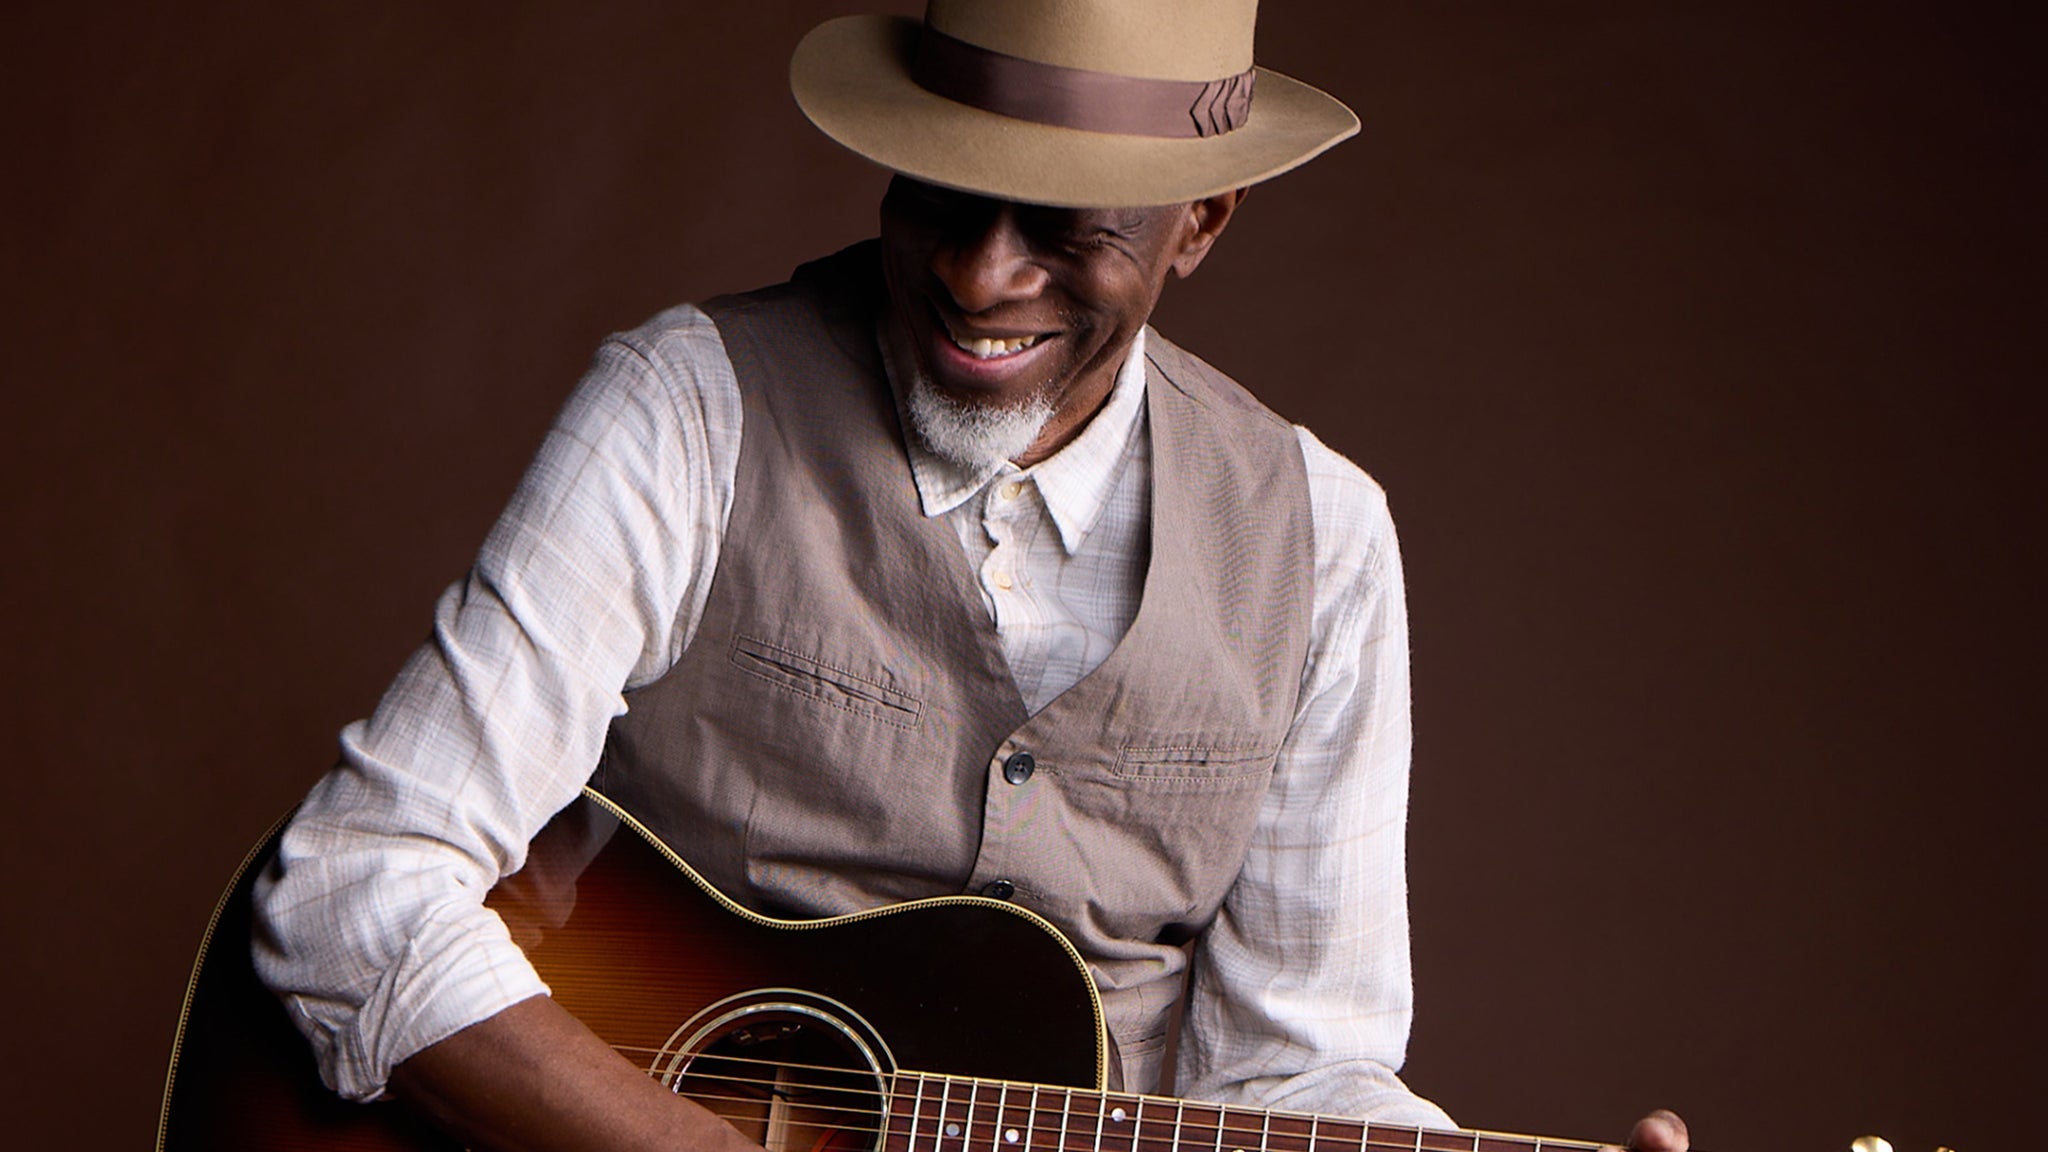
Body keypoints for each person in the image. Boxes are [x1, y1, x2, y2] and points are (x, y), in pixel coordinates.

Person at [253, 3, 1689, 1151]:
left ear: (1202, 219)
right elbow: (358, 883)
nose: (980, 275)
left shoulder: (1325, 544)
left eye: (1066, 223)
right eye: (945, 186)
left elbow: (1291, 1081)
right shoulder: (687, 411)